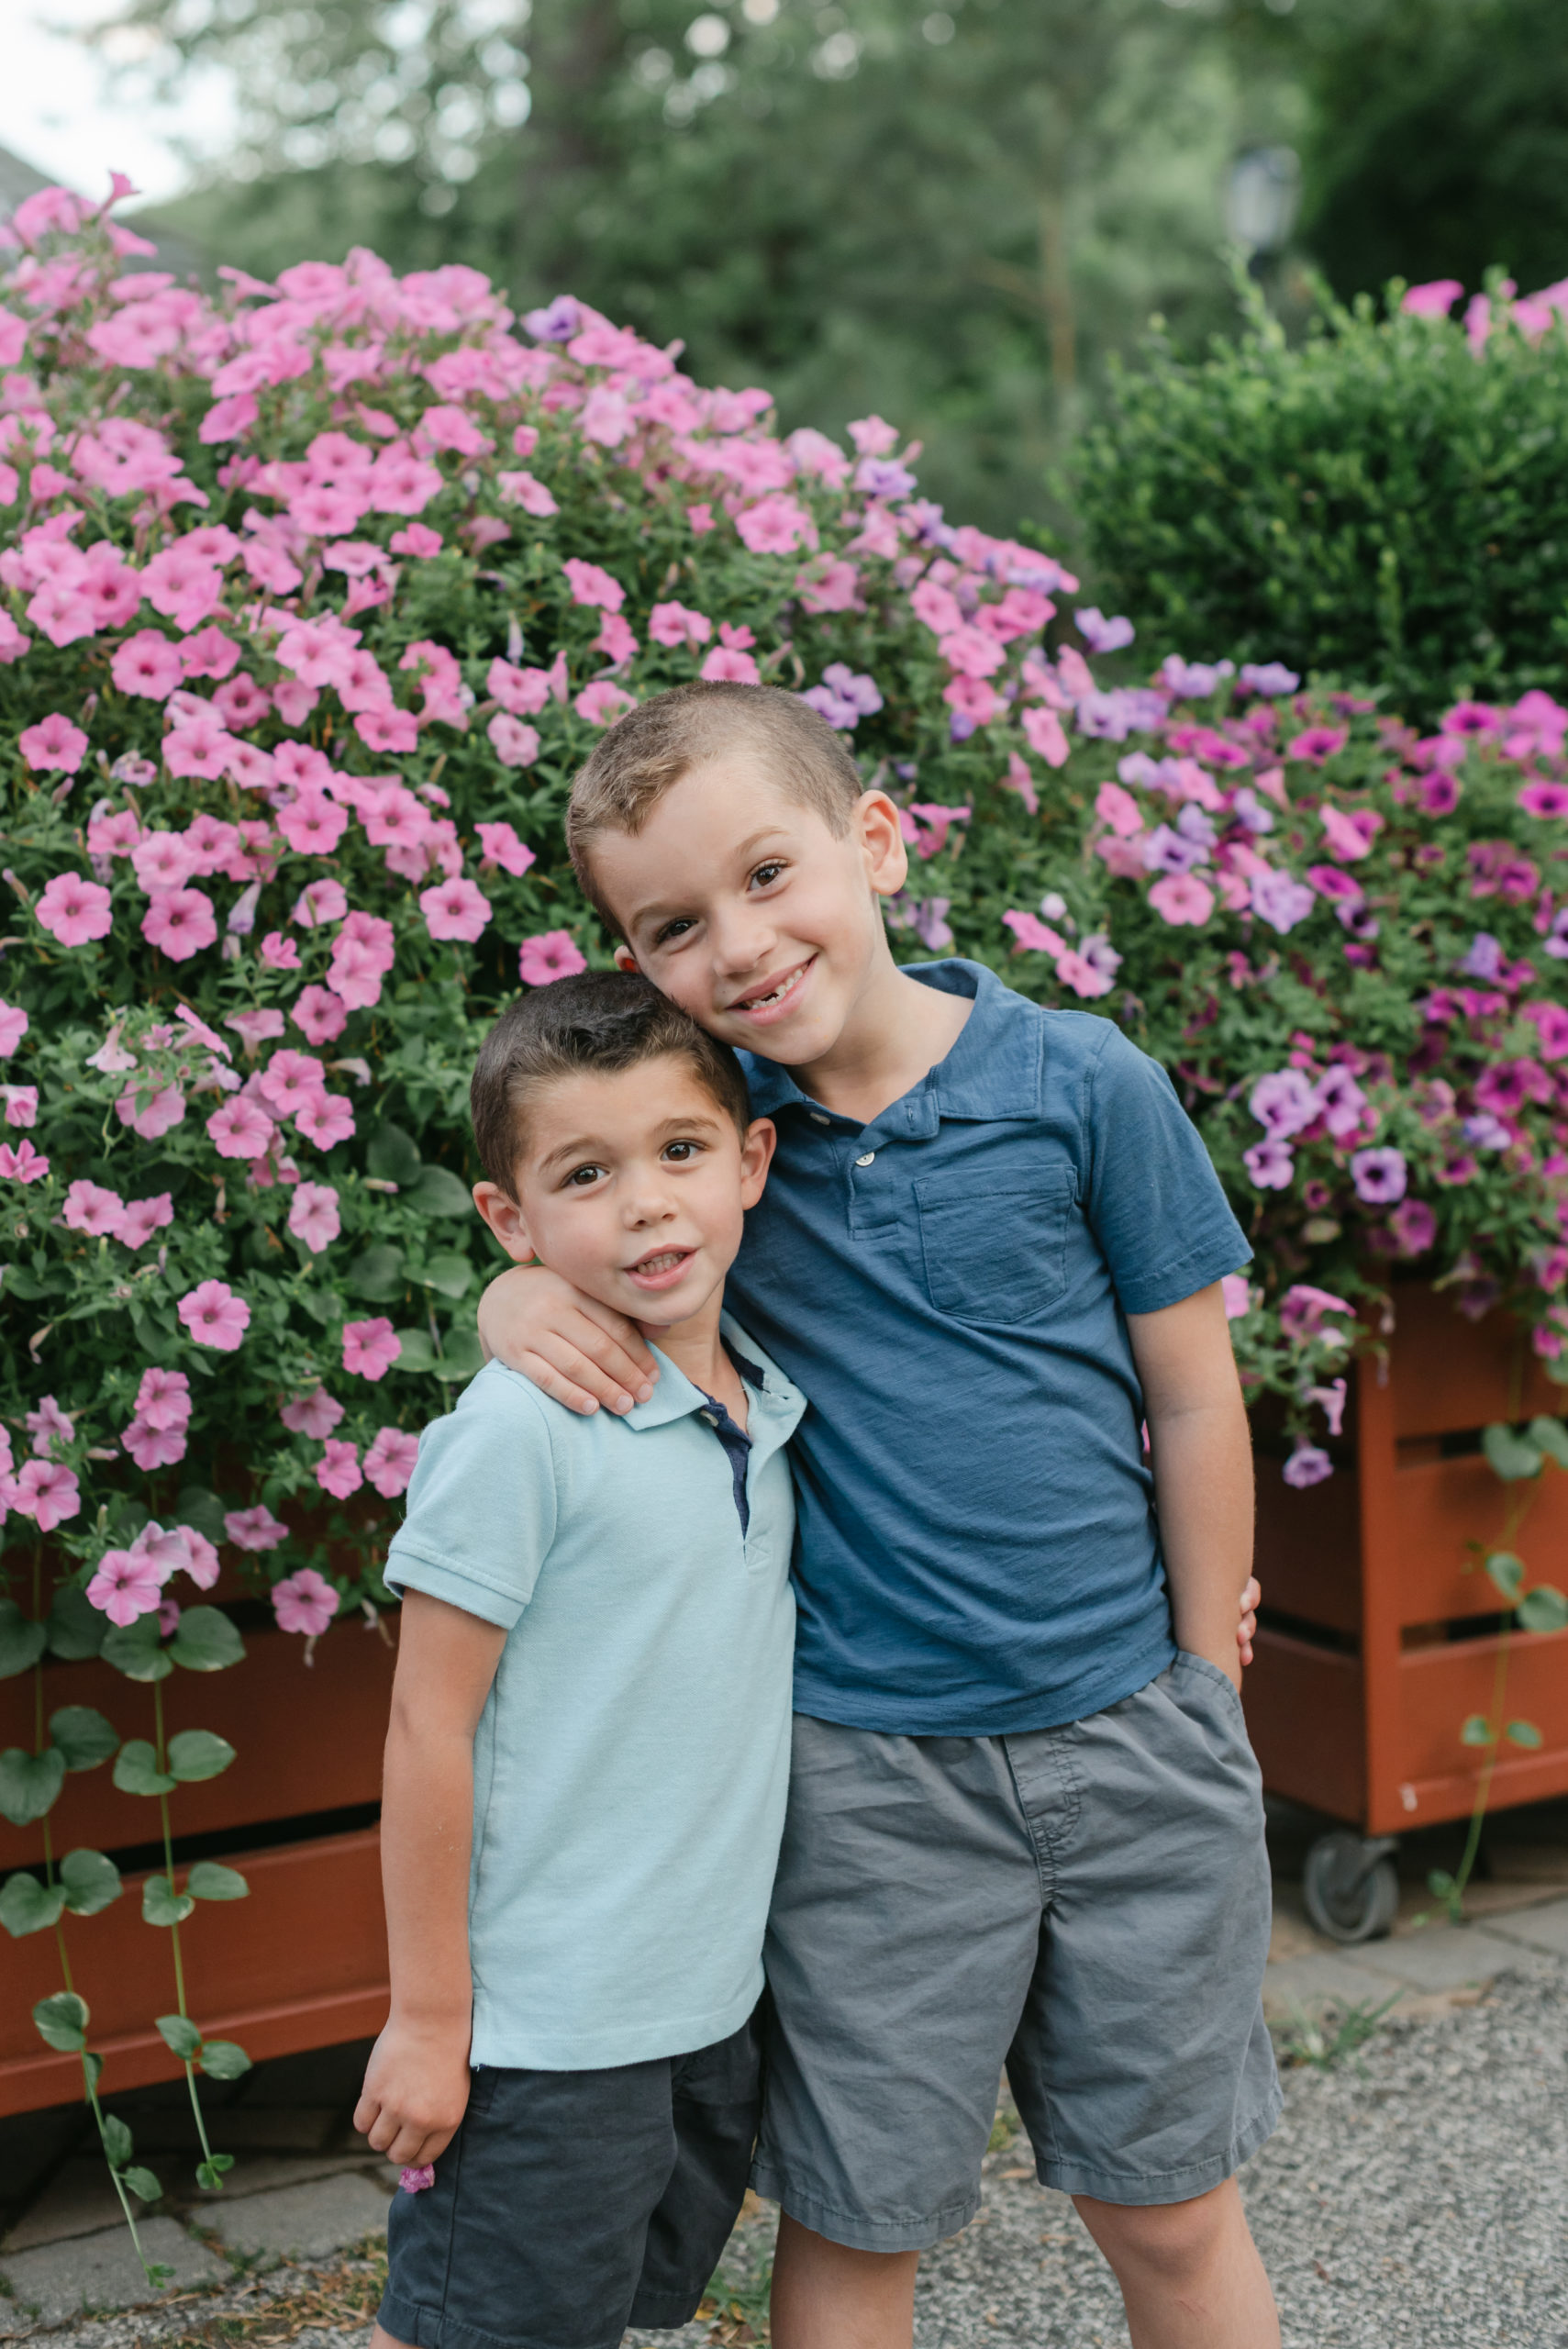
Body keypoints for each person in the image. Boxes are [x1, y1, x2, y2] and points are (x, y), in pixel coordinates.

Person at [477, 679, 1282, 2349]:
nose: (742, 945)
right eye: (676, 925)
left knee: (1171, 2215)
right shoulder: (719, 1159)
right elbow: (576, 1237)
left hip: (1137, 1747)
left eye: (770, 875)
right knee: (855, 2223)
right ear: (641, 966)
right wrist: (500, 1307)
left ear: (876, 841)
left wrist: (1204, 1677)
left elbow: (1194, 1394)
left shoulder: (1079, 1084)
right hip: (868, 1784)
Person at [353, 968, 806, 2349]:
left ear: (751, 1160)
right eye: (586, 1174)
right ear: (512, 1220)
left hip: (703, 2008)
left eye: (678, 1152)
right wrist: (431, 2018)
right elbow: (429, 1728)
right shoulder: (519, 1431)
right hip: (544, 2032)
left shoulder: (770, 1395)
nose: (647, 1203)